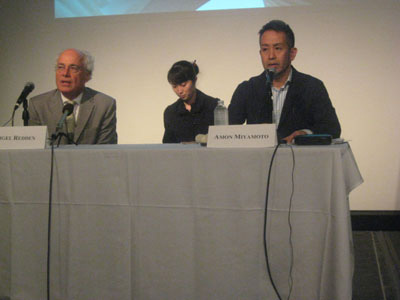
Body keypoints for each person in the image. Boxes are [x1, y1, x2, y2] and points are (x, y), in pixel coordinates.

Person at [228, 20, 341, 143]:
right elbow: (226, 130)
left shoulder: (312, 87)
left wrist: (304, 134)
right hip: (257, 160)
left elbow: (332, 128)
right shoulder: (247, 89)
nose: (271, 56)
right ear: (260, 53)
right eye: (265, 49)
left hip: (300, 159)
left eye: (278, 48)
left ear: (292, 53)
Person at [28, 48, 117, 144]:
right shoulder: (38, 105)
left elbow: (106, 151)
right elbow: (34, 150)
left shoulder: (104, 105)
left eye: (73, 68)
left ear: (87, 75)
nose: (65, 74)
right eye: (61, 67)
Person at [162, 60, 219, 143]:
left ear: (195, 80)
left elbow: (222, 141)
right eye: (174, 86)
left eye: (183, 85)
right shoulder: (171, 112)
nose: (179, 90)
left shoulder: (214, 106)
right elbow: (168, 146)